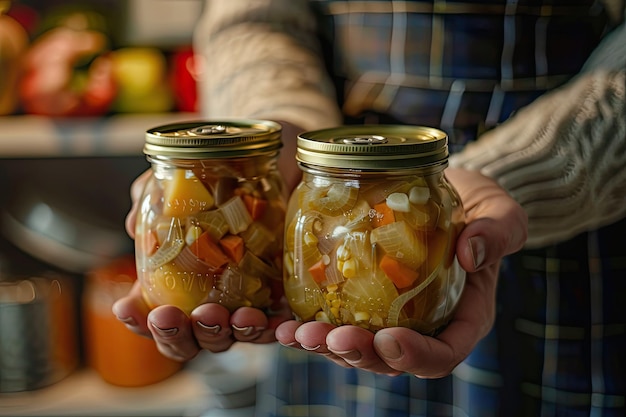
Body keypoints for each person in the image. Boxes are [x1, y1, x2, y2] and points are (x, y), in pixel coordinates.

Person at [113, 0, 626, 415]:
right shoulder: (294, 199)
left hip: (579, 255)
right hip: (322, 194)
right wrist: (276, 130)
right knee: (332, 339)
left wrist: (507, 176)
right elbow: (252, 18)